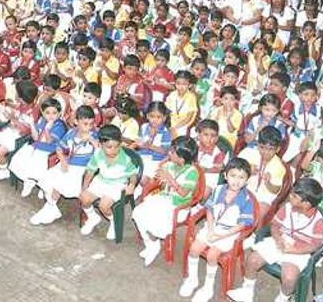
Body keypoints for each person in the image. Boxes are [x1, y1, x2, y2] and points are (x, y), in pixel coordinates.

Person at [227, 177, 323, 302]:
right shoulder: (287, 207)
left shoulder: (318, 221)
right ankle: (247, 290)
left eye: (294, 196)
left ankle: (283, 298)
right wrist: (278, 238)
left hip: (299, 250)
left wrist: (294, 250)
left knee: (289, 278)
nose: (290, 197)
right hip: (280, 240)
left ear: (306, 204)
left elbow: (315, 245)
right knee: (252, 260)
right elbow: (274, 225)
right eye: (291, 193)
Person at [179, 157, 255, 302]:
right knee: (194, 248)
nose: (236, 181)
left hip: (229, 233)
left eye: (241, 177)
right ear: (225, 176)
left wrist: (220, 236)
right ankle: (192, 280)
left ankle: (208, 287)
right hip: (213, 227)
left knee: (212, 255)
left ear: (247, 180)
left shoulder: (246, 200)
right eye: (233, 175)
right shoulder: (219, 189)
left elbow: (243, 225)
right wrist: (210, 229)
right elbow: (209, 210)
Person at [132, 135, 200, 266]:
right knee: (138, 212)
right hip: (164, 199)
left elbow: (183, 193)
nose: (169, 153)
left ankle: (153, 242)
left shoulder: (192, 172)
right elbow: (162, 186)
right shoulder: (169, 165)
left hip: (179, 205)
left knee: (153, 217)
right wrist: (162, 180)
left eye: (173, 152)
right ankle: (152, 244)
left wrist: (169, 179)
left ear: (181, 158)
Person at [30, 105, 98, 225]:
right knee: (47, 177)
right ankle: (51, 208)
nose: (88, 127)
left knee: (59, 183)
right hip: (68, 164)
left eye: (91, 124)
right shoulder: (71, 133)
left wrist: (93, 141)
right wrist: (62, 160)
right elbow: (59, 148)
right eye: (85, 124)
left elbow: (101, 153)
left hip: (83, 170)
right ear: (76, 122)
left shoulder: (94, 135)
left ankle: (49, 208)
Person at [79, 124, 138, 240]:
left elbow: (133, 174)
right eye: (109, 147)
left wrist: (132, 185)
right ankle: (92, 217)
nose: (114, 150)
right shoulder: (97, 155)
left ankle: (113, 220)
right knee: (84, 198)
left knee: (104, 206)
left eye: (117, 146)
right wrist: (85, 188)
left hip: (117, 185)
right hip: (101, 181)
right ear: (100, 145)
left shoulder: (125, 158)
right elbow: (90, 171)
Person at [8, 97, 67, 198]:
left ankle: (42, 185)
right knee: (19, 159)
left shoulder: (59, 125)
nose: (51, 116)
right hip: (37, 146)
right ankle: (29, 181)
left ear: (59, 113)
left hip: (49, 151)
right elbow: (36, 137)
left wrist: (47, 129)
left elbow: (49, 141)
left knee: (38, 163)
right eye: (47, 112)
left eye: (54, 113)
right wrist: (31, 124)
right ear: (42, 113)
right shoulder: (41, 120)